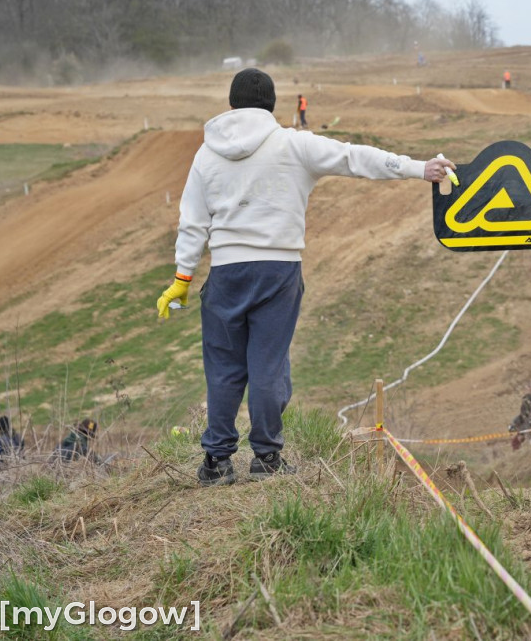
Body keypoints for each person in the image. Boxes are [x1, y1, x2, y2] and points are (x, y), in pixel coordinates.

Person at [155, 68, 457, 487]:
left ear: (230, 104)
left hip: (225, 271)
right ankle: (266, 458)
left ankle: (217, 462)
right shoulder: (294, 144)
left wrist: (182, 278)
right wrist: (417, 167)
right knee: (268, 365)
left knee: (223, 369)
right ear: (272, 105)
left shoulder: (207, 154)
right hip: (279, 272)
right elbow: (355, 157)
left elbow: (192, 221)